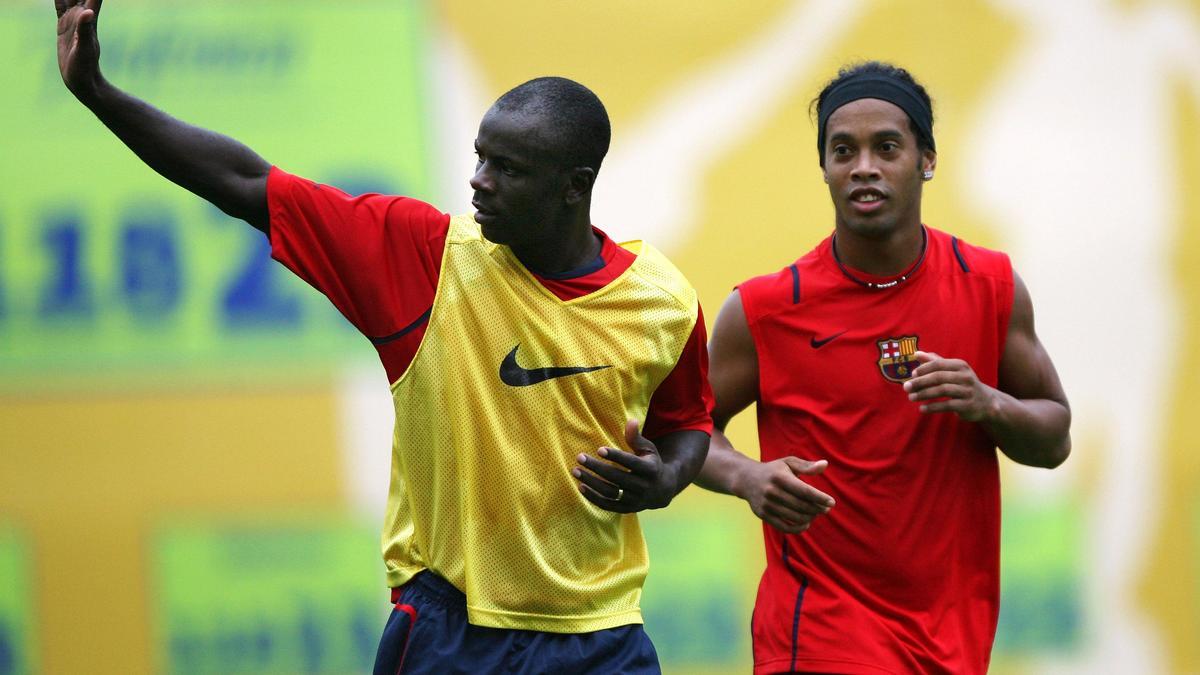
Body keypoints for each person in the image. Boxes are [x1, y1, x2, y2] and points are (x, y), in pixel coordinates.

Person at [54, 1, 713, 673]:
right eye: (481, 157)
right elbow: (246, 182)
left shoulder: (660, 300)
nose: (478, 181)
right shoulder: (422, 259)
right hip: (453, 632)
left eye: (507, 169)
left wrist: (665, 477)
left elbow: (688, 421)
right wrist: (97, 94)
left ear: (574, 188)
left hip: (603, 637)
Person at [694, 61, 1071, 674]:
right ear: (825, 169)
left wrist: (988, 402)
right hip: (818, 631)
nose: (863, 165)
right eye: (843, 150)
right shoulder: (765, 308)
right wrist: (746, 477)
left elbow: (1054, 439)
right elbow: (686, 430)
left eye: (886, 147)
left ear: (927, 159)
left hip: (950, 637)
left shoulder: (992, 285)